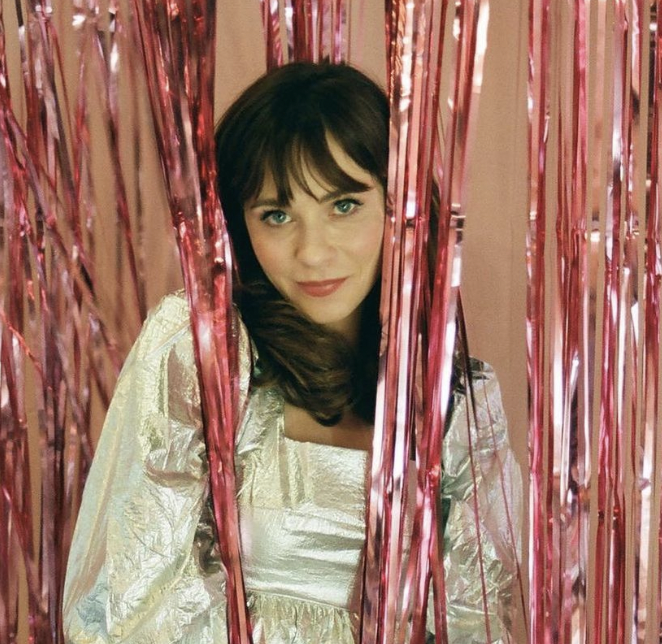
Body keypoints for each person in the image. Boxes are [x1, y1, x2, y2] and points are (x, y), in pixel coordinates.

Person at [63, 61, 522, 643]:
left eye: (344, 205)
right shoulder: (203, 352)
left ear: (400, 208)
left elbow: (480, 619)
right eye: (277, 215)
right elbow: (131, 608)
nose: (313, 252)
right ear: (240, 226)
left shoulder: (457, 400)